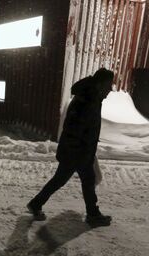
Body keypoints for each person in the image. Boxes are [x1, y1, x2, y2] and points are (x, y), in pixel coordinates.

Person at [27, 68, 114, 227]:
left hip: (78, 151)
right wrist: (81, 152)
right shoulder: (86, 99)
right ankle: (92, 215)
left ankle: (36, 204)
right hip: (76, 152)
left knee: (64, 180)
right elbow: (74, 128)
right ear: (100, 84)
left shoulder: (91, 96)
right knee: (85, 181)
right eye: (109, 85)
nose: (110, 90)